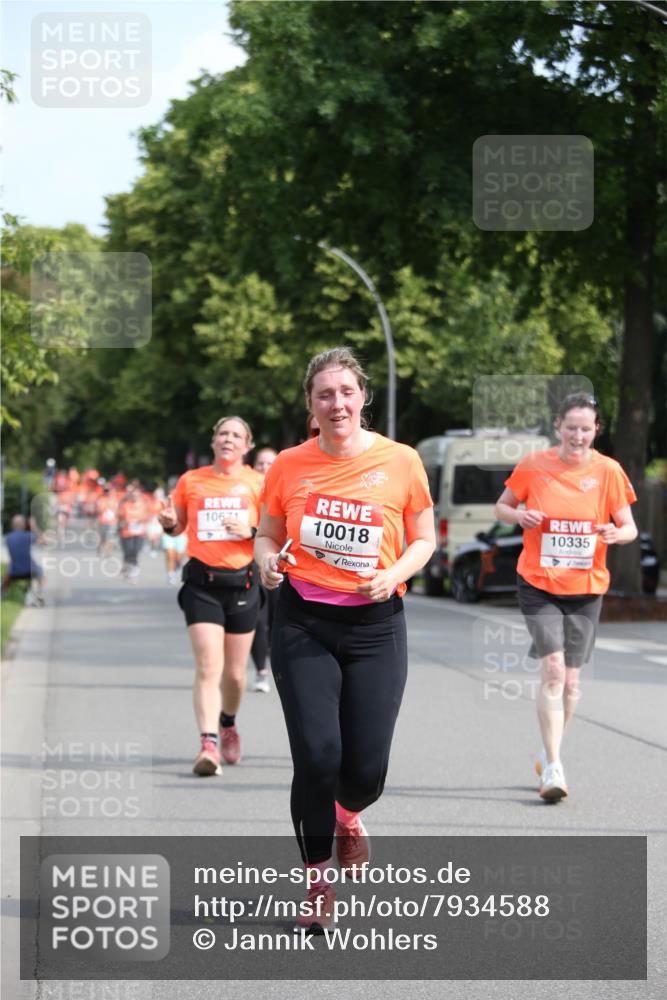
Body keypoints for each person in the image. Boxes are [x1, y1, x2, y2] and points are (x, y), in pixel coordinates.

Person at [255, 347, 435, 931]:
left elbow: (425, 539)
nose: (337, 403)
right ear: (310, 405)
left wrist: (395, 572)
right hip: (304, 618)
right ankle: (316, 880)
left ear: (362, 398)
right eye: (324, 394)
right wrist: (266, 565)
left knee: (366, 769)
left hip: (376, 625)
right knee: (316, 756)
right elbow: (267, 535)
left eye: (346, 392)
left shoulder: (402, 461)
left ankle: (348, 815)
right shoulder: (288, 465)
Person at [494, 392, 638, 803]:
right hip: (538, 582)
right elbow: (502, 507)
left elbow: (628, 525)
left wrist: (617, 533)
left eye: (585, 428)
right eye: (570, 427)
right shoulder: (534, 465)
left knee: (572, 683)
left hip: (587, 586)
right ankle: (555, 765)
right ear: (558, 426)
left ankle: (547, 750)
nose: (577, 435)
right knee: (554, 672)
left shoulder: (608, 471)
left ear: (596, 431)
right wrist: (520, 515)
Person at [159, 416, 263, 776]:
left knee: (234, 676)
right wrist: (169, 522)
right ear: (213, 441)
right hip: (202, 584)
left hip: (242, 584)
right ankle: (207, 745)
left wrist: (248, 529)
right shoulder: (193, 480)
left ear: (246, 445)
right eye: (222, 433)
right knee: (208, 667)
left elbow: (275, 531)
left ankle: (228, 723)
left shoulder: (257, 483)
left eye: (236, 435)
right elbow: (178, 525)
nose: (228, 439)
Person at [249, 447, 279, 692]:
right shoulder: (248, 487)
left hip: (283, 565)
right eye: (260, 463)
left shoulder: (286, 484)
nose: (264, 468)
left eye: (270, 463)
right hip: (252, 561)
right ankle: (261, 671)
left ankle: (279, 665)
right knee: (259, 619)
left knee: (278, 618)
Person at [2, 514, 45, 605]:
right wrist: (34, 526)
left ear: (12, 525)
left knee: (6, 575)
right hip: (29, 570)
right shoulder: (28, 536)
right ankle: (40, 595)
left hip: (14, 572)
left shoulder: (8, 538)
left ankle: (3, 595)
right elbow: (43, 541)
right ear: (24, 525)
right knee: (40, 571)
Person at [117, 483, 148, 582]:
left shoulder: (143, 505)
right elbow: (119, 517)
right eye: (133, 495)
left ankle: (134, 570)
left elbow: (147, 517)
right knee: (128, 551)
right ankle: (127, 567)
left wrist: (140, 521)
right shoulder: (125, 505)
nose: (134, 497)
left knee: (135, 551)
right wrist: (123, 522)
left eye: (136, 495)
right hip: (127, 532)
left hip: (139, 532)